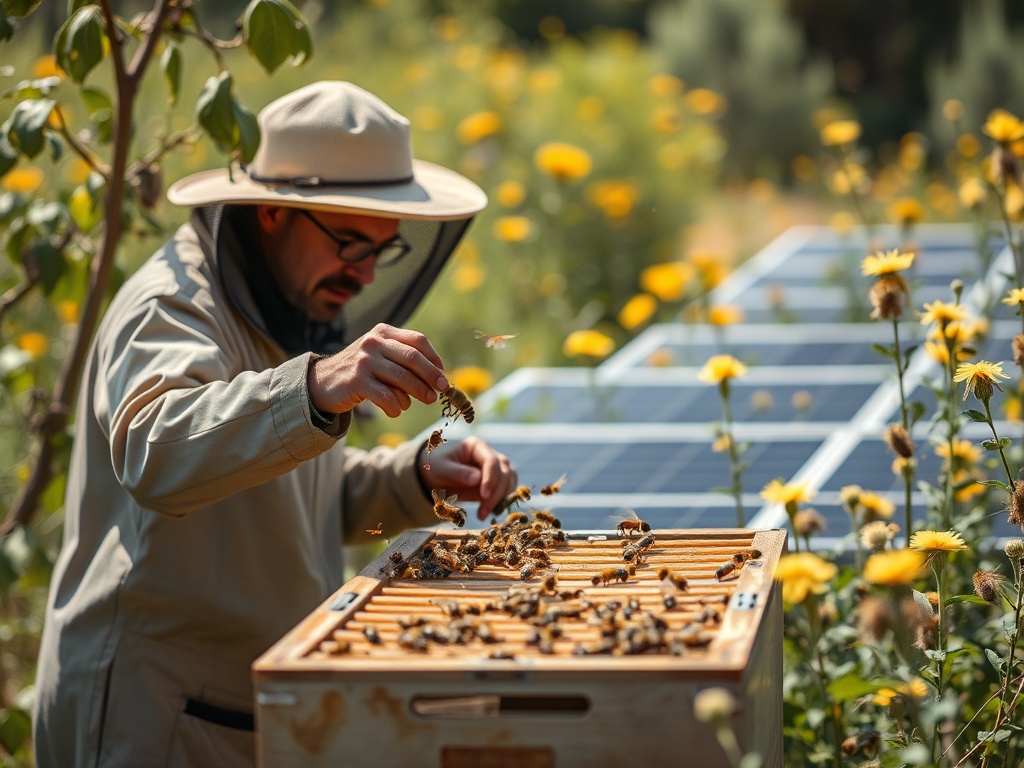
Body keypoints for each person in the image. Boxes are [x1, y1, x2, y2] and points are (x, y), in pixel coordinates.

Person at [32, 81, 518, 768]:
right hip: (154, 719)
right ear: (269, 211)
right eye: (349, 242)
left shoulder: (283, 296)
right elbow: (157, 452)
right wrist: (318, 384)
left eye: (383, 248)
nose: (366, 271)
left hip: (241, 706)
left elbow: (278, 501)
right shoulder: (172, 304)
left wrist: (412, 478)